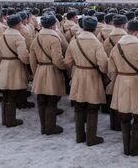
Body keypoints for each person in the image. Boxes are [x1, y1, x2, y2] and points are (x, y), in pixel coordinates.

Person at [109, 19, 138, 156]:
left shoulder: (117, 46)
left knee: (124, 115)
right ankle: (135, 147)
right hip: (137, 81)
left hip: (121, 81)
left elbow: (111, 67)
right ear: (136, 32)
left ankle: (126, 147)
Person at [64, 16, 109, 146]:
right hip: (92, 76)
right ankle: (91, 137)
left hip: (78, 74)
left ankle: (79, 136)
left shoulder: (74, 41)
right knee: (92, 107)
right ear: (94, 28)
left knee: (78, 107)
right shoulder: (96, 43)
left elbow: (67, 62)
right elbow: (103, 64)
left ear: (82, 27)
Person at [30, 13, 67, 134]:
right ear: (52, 25)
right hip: (52, 70)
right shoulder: (54, 38)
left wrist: (36, 72)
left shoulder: (36, 38)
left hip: (40, 69)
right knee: (51, 100)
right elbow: (57, 59)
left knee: (41, 100)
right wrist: (63, 67)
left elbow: (32, 59)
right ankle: (50, 127)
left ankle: (43, 127)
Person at [0, 14, 30, 127]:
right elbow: (23, 56)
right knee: (12, 94)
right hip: (15, 66)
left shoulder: (2, 36)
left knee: (5, 94)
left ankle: (5, 119)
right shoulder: (19, 37)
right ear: (17, 24)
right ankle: (11, 120)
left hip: (4, 64)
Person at [103, 14, 128, 129]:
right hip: (126, 74)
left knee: (112, 98)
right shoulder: (128, 39)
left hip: (111, 71)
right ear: (124, 25)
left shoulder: (107, 38)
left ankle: (113, 123)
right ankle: (122, 124)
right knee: (123, 99)